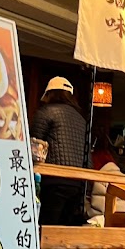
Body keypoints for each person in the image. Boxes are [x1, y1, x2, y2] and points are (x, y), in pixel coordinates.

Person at [30, 77, 87, 226]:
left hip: (53, 180)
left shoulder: (45, 112)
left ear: (49, 94)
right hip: (77, 182)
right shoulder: (81, 119)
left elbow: (34, 146)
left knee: (46, 226)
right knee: (64, 231)